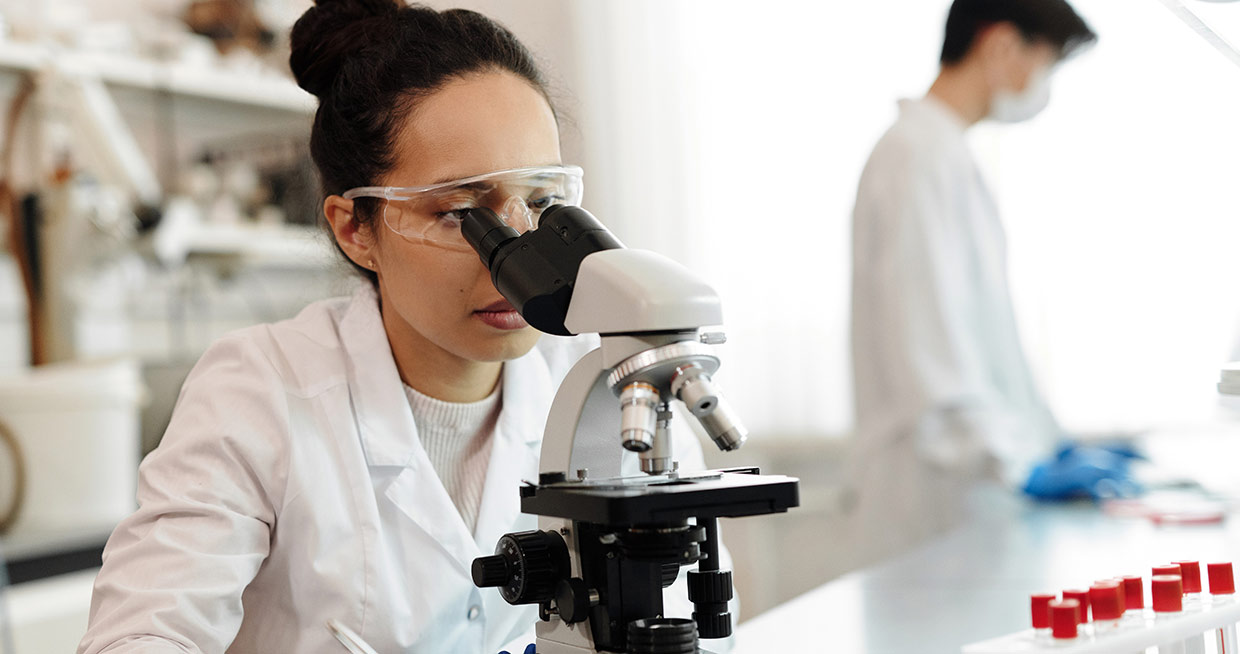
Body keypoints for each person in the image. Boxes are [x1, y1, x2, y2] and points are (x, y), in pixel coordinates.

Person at [77, 2, 727, 653]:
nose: (518, 261)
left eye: (541, 203)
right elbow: (138, 637)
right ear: (355, 229)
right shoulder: (258, 392)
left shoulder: (612, 384)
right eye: (460, 213)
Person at [847, 0, 1098, 561]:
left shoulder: (944, 154)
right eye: (1047, 61)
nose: (1044, 83)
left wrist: (1049, 443)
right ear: (1002, 44)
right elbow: (931, 353)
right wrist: (1017, 463)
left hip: (966, 493)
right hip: (930, 501)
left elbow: (990, 344)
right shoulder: (916, 158)